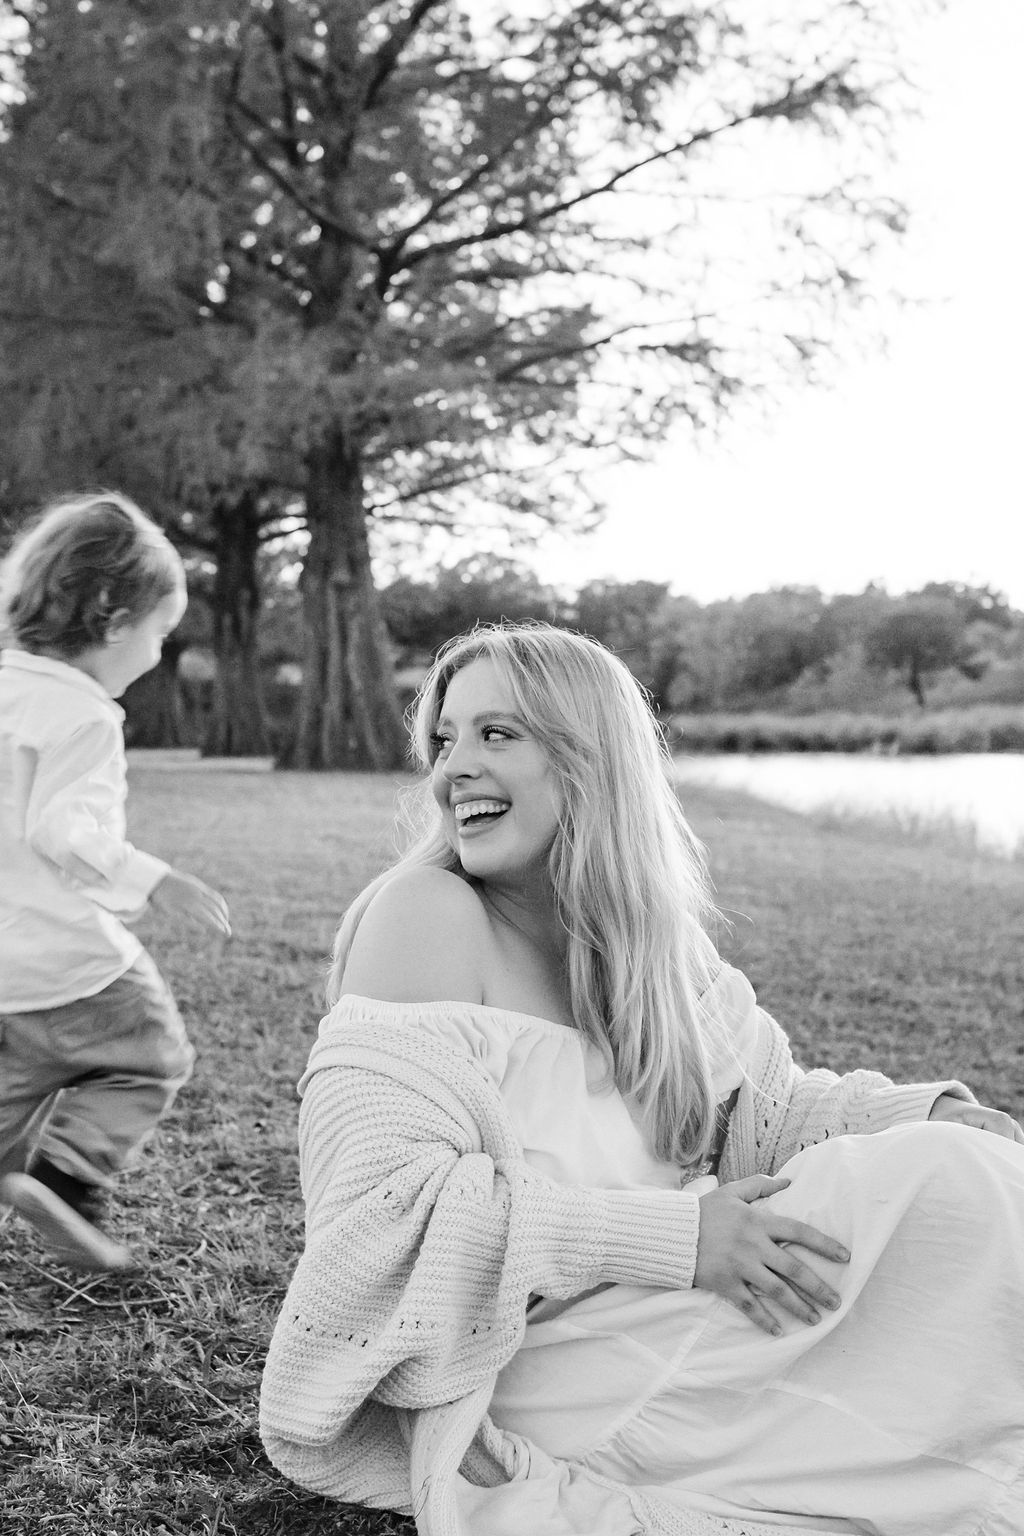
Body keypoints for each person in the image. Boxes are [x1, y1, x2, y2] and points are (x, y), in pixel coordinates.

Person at [259, 621, 1024, 1536]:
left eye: (496, 734)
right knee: (949, 1195)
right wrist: (680, 1239)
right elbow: (385, 1217)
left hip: (686, 1318)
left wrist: (921, 1107)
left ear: (592, 761)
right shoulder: (425, 915)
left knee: (953, 1175)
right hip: (541, 1364)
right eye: (445, 738)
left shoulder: (655, 947)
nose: (451, 769)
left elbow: (768, 1116)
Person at [0, 492, 230, 1274]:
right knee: (152, 1053)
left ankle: (25, 1174)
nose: (161, 652)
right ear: (110, 616)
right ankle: (67, 1179)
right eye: (162, 631)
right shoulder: (85, 715)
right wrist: (154, 877)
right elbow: (64, 831)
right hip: (69, 964)